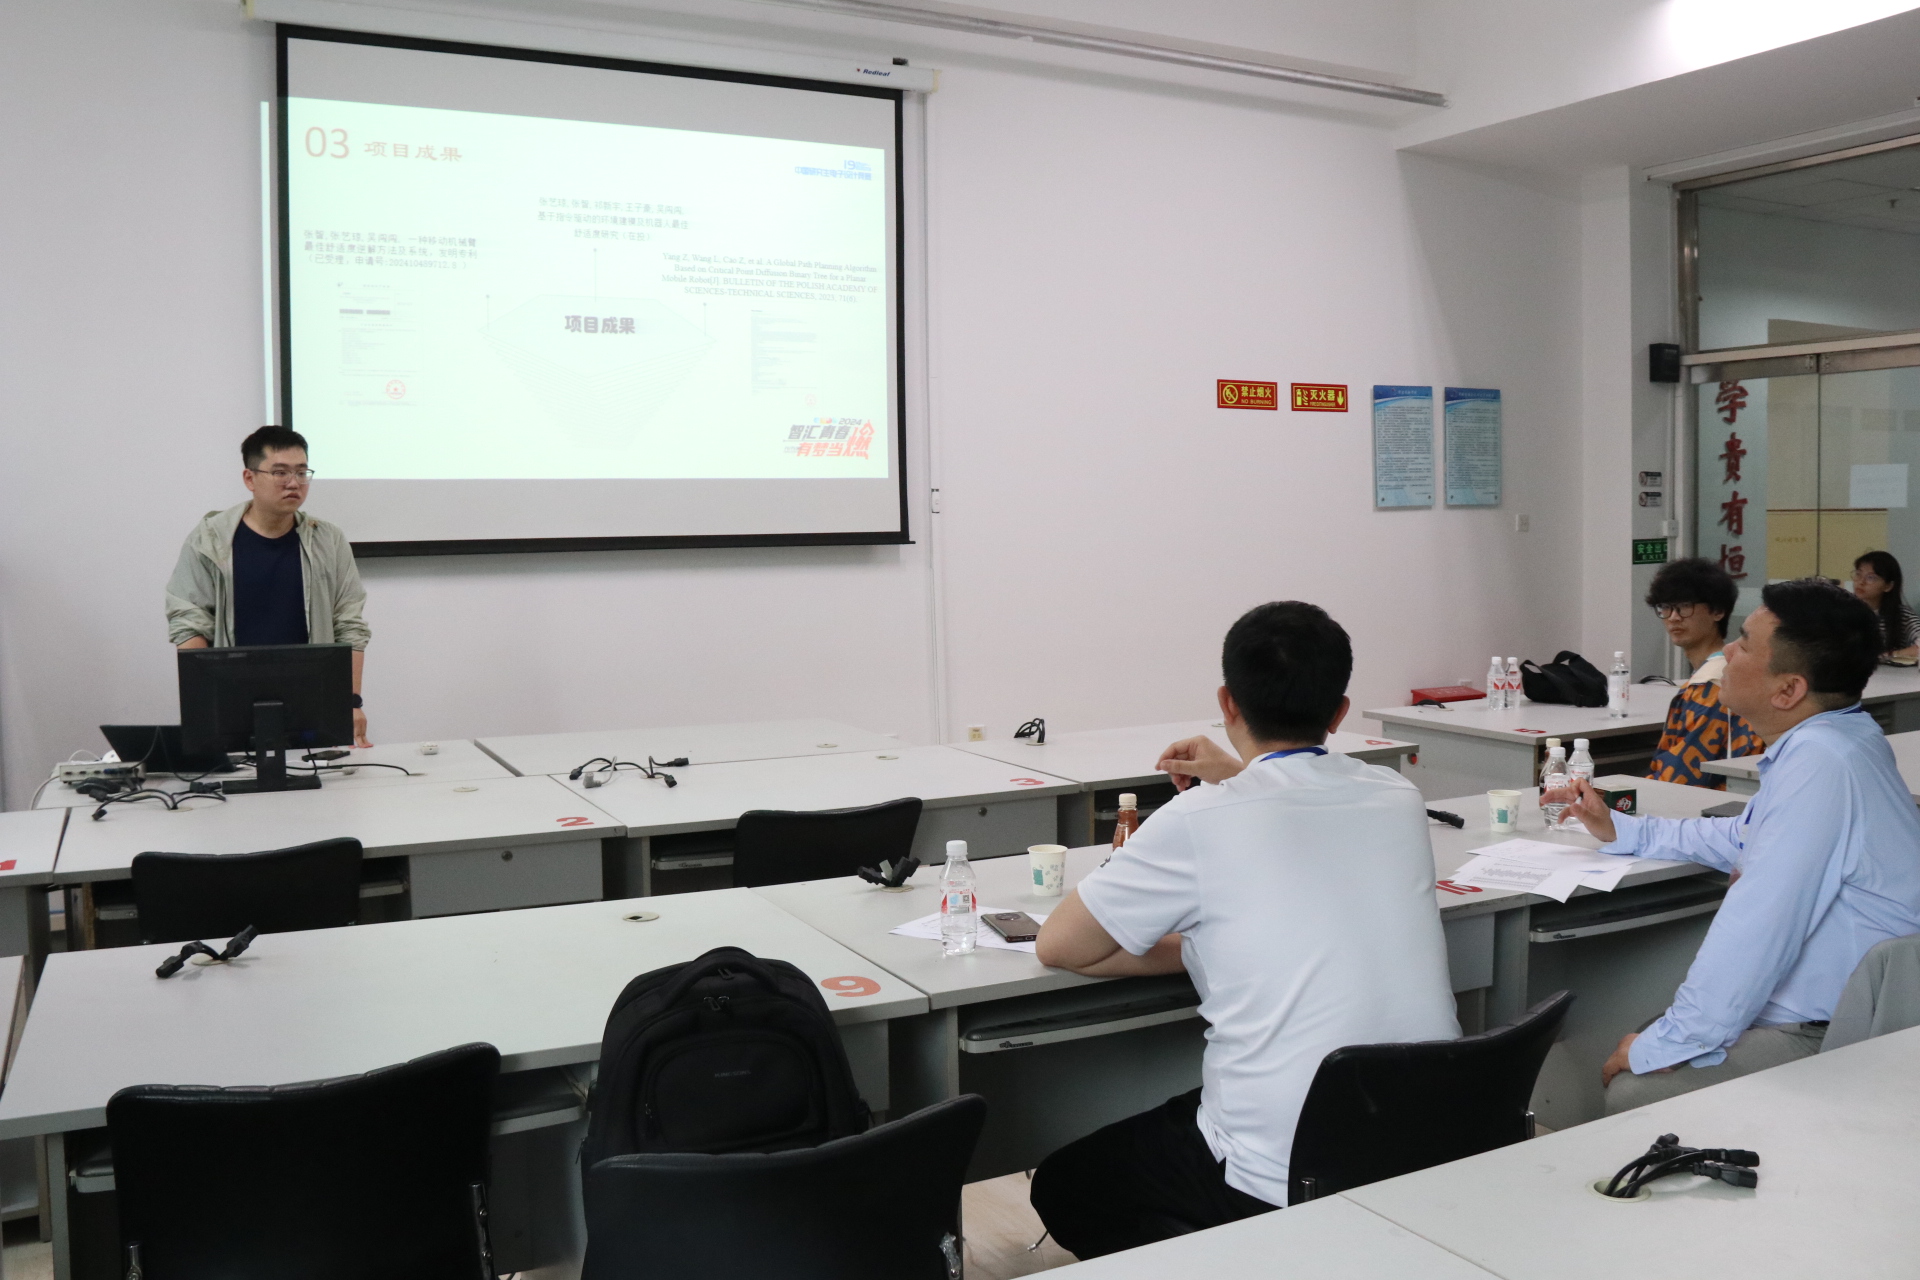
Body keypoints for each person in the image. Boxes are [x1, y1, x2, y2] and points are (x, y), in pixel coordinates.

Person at [1027, 601, 1459, 1259]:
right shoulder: (1398, 797)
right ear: (1340, 711)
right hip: (1428, 1137)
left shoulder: (1198, 819)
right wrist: (1238, 781)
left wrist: (1201, 940)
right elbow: (1299, 818)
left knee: (1066, 1185)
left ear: (1227, 703)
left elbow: (1060, 945)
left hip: (1285, 1167)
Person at [1554, 579, 1920, 1113]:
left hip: (1831, 1030)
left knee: (1638, 1090)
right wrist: (1624, 830)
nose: (1726, 652)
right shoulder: (1839, 738)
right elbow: (1743, 836)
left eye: (1745, 644)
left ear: (1788, 690)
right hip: (1845, 1004)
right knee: (1650, 1033)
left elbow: (1756, 929)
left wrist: (1665, 1045)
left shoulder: (1820, 764)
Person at [165, 426, 372, 746]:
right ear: (250, 478)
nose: (294, 483)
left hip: (313, 701)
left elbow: (349, 625)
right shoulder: (210, 539)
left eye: (302, 472)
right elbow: (189, 622)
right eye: (280, 472)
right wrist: (202, 708)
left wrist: (351, 701)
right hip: (232, 700)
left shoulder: (328, 540)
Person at [1644, 557, 1762, 788]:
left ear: (1718, 611)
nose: (1674, 617)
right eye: (1666, 607)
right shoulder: (1725, 669)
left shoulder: (1712, 684)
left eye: (1684, 606)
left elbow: (1679, 780)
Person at [1850, 550, 1918, 662]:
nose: (1861, 582)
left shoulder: (1902, 616)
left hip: (1888, 672)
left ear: (1888, 586)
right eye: (1858, 574)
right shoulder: (1842, 610)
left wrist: (1888, 655)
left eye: (1871, 577)